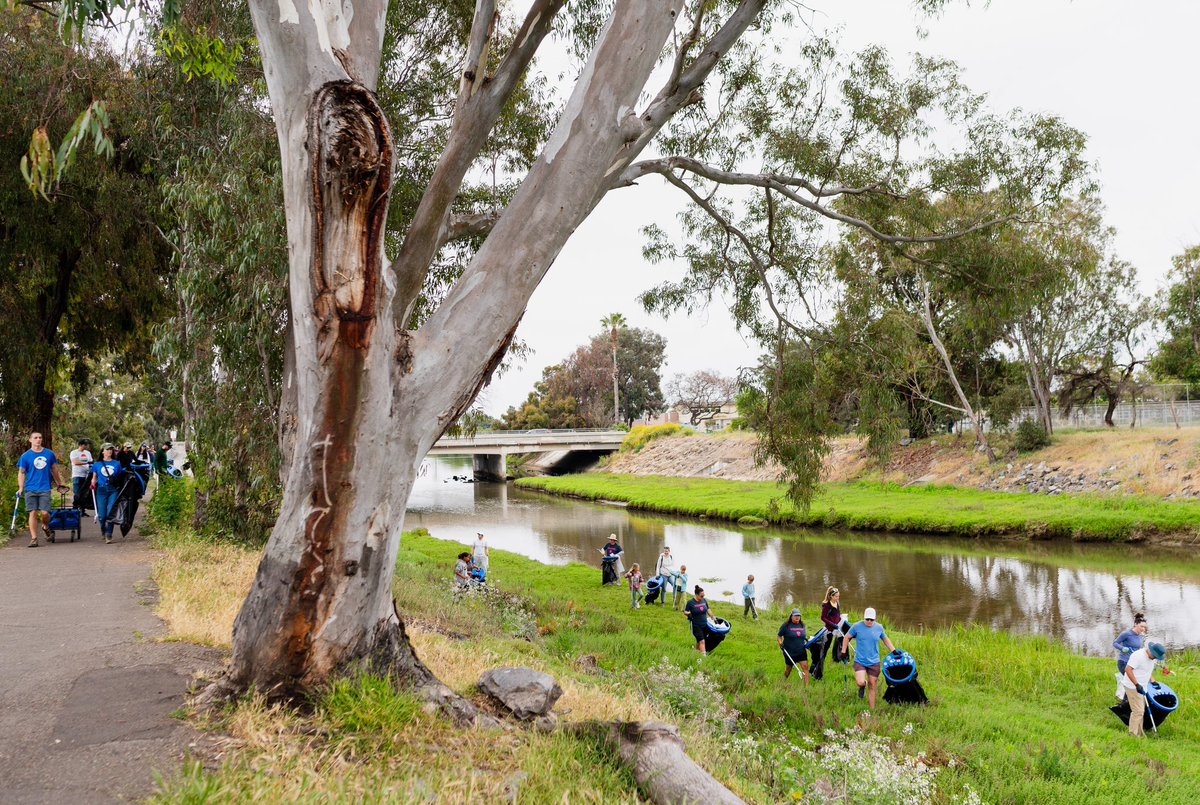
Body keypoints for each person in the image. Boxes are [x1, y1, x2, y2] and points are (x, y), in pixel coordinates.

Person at [16, 432, 68, 548]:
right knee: (33, 512)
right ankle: (34, 538)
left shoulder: (49, 454)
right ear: (30, 440)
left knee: (45, 513)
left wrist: (59, 483)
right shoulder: (25, 456)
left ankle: (45, 526)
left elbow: (54, 469)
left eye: (40, 437)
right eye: (35, 438)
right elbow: (21, 473)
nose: (38, 440)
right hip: (30, 488)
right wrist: (20, 487)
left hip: (45, 487)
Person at [841, 607, 896, 709]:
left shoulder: (879, 627)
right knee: (860, 682)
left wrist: (893, 650)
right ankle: (862, 686)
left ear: (875, 619)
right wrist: (843, 651)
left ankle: (872, 709)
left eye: (872, 619)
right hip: (860, 661)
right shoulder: (857, 626)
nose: (869, 621)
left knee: (873, 685)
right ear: (864, 618)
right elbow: (846, 637)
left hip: (874, 662)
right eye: (867, 619)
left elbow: (885, 639)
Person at [1122, 642, 1167, 737]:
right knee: (1138, 711)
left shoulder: (1152, 658)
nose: (1155, 658)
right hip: (1132, 686)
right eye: (1155, 656)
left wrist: (1152, 680)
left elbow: (1146, 670)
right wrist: (1137, 685)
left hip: (1143, 686)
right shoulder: (1138, 656)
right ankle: (1133, 735)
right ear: (1150, 651)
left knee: (1140, 710)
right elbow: (1128, 669)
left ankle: (1139, 733)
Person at [91, 444, 125, 544]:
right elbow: (94, 477)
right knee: (102, 515)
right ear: (102, 451)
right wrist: (92, 484)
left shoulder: (117, 464)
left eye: (111, 450)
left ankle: (109, 534)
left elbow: (119, 478)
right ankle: (103, 529)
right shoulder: (97, 464)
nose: (109, 451)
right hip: (101, 490)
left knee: (110, 513)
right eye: (107, 449)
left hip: (113, 490)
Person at [1112, 613, 1148, 700]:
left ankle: (1125, 701)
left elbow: (1139, 650)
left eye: (1144, 627)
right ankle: (1125, 701)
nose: (1143, 629)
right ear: (1135, 624)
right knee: (1132, 682)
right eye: (1141, 626)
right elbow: (1115, 643)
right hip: (1123, 662)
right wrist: (1122, 648)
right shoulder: (1126, 634)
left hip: (1133, 663)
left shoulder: (1141, 637)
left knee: (1134, 681)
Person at [813, 586, 842, 681]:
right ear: (831, 596)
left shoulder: (837, 603)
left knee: (830, 648)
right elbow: (823, 617)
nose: (838, 598)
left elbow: (838, 614)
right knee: (823, 652)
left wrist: (841, 619)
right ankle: (816, 673)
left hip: (836, 629)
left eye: (838, 596)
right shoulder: (827, 605)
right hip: (828, 631)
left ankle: (837, 659)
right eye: (836, 596)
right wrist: (832, 624)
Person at [778, 609, 810, 683]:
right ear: (791, 616)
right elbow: (779, 636)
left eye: (798, 616)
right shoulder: (786, 625)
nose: (797, 617)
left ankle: (807, 688)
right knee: (788, 669)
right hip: (789, 652)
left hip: (801, 651)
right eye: (795, 615)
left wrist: (808, 640)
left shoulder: (802, 625)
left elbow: (803, 636)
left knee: (805, 667)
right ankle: (783, 681)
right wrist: (780, 643)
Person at [683, 586, 710, 657]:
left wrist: (713, 617)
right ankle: (704, 657)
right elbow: (685, 612)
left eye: (704, 595)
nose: (703, 597)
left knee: (700, 640)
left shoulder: (704, 600)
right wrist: (690, 614)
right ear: (696, 595)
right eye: (701, 596)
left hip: (704, 624)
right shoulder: (690, 602)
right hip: (696, 625)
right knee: (702, 641)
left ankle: (696, 651)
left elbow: (708, 610)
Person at [69, 438, 93, 510]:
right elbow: (75, 462)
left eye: (87, 444)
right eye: (84, 444)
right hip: (77, 475)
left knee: (84, 493)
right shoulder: (74, 452)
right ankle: (75, 508)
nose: (86, 446)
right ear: (80, 445)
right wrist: (87, 463)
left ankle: (82, 510)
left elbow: (91, 461)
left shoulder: (88, 453)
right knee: (77, 493)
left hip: (86, 475)